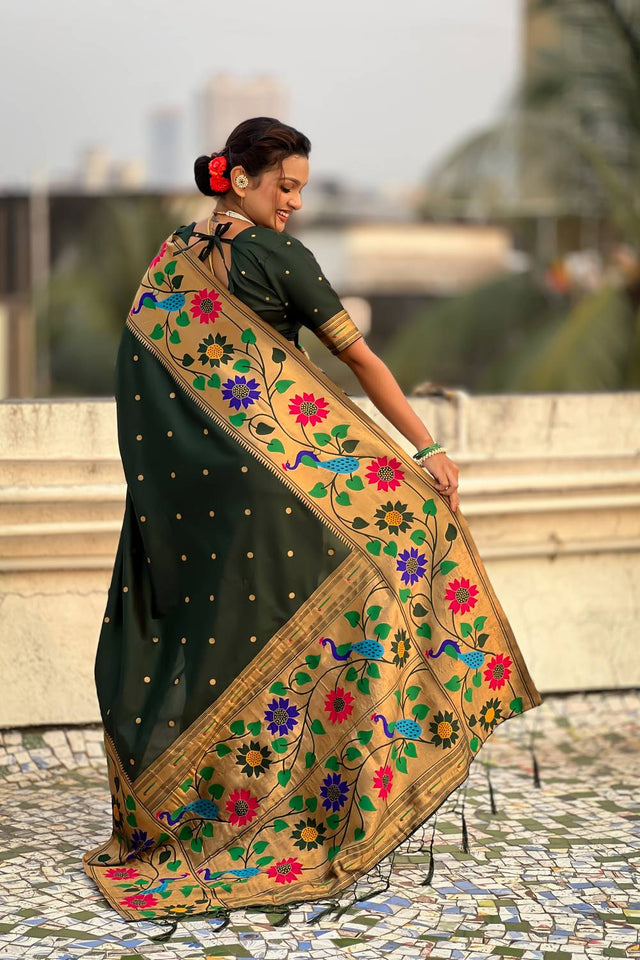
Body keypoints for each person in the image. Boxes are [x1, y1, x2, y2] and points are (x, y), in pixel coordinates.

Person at [83, 117, 542, 932]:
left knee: (218, 638)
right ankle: (343, 795)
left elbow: (139, 373)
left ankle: (209, 806)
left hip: (199, 495)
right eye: (282, 186)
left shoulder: (172, 255)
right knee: (403, 540)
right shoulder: (279, 257)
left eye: (299, 188)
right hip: (274, 490)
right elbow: (361, 363)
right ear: (240, 180)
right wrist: (426, 446)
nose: (293, 202)